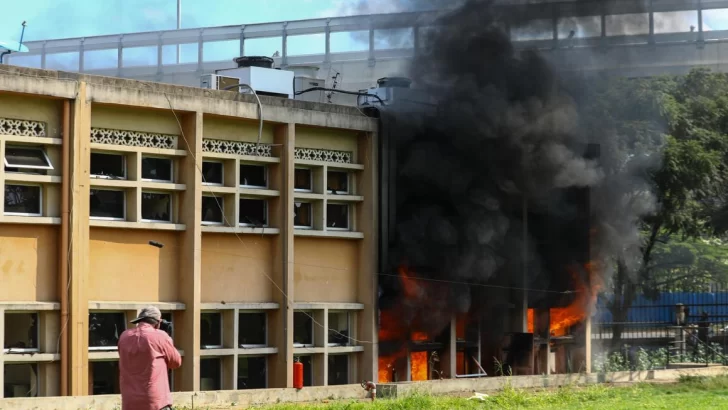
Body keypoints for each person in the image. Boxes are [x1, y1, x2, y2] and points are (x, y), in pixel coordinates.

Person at [118, 306, 182, 410]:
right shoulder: (160, 336)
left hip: (130, 401)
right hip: (155, 401)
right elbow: (176, 362)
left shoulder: (124, 336)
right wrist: (168, 337)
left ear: (139, 320)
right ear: (158, 322)